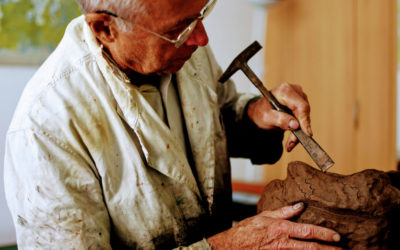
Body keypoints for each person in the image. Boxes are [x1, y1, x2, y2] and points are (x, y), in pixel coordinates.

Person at [4, 0, 341, 249]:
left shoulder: (185, 52)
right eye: (177, 31)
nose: (202, 39)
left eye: (202, 14)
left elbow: (215, 117)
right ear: (105, 28)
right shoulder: (45, 128)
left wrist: (253, 114)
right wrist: (227, 246)